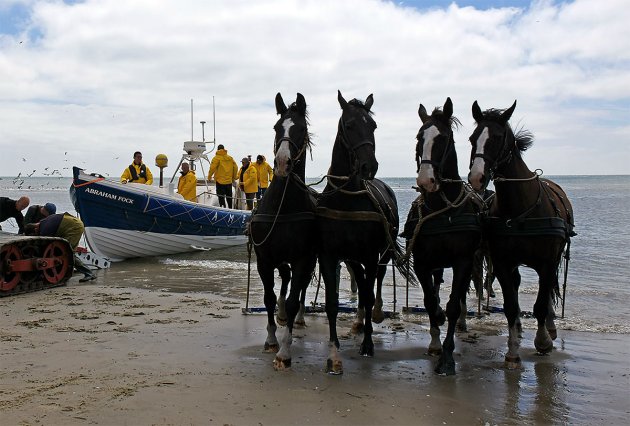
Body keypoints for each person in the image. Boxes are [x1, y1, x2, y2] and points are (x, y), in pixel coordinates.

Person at [24, 212, 96, 282]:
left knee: (68, 253)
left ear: (35, 229)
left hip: (74, 228)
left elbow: (47, 248)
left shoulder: (45, 229)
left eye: (35, 234)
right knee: (65, 251)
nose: (37, 235)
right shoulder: (44, 221)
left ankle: (89, 273)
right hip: (73, 224)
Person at [208, 144, 238, 208]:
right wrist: (234, 177)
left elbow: (212, 168)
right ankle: (230, 209)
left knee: (221, 197)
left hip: (220, 182)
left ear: (217, 149)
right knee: (229, 197)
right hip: (229, 182)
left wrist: (209, 176)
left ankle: (223, 208)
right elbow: (235, 167)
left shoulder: (216, 158)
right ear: (224, 149)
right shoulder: (230, 158)